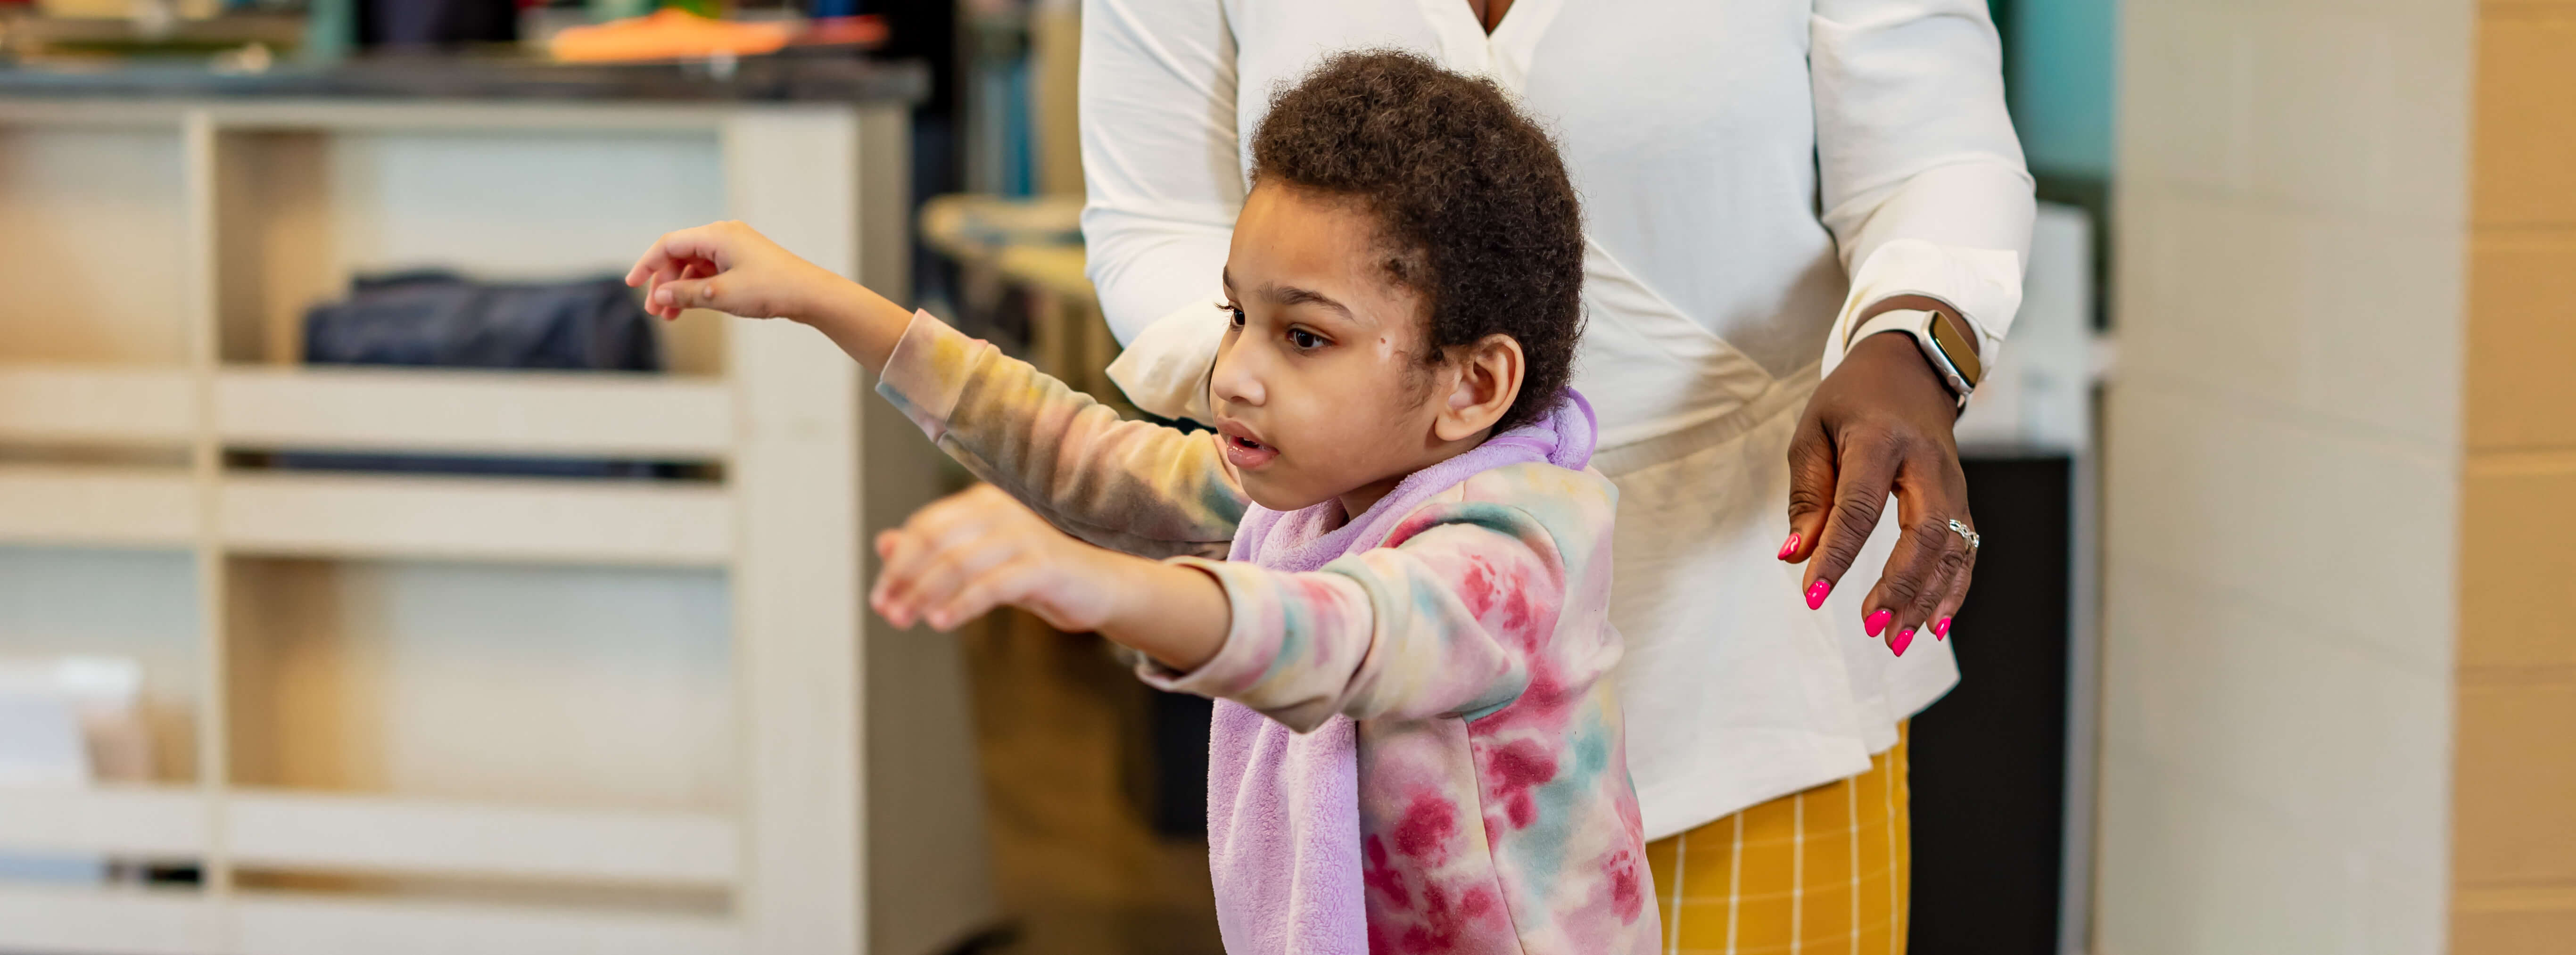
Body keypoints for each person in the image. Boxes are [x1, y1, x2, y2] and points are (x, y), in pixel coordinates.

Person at [628, 52, 1657, 954]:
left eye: (1303, 336)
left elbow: (1338, 633)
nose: (1235, 374)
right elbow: (1084, 452)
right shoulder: (1309, 502)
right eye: (1236, 314)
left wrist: (1094, 584)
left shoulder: (1516, 554)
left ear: (1472, 385)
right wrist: (822, 296)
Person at [1082, 0, 2033, 947]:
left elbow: (1932, 157)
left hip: (1748, 659)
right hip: (1385, 707)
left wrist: (1913, 348)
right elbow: (1154, 219)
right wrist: (1316, 407)